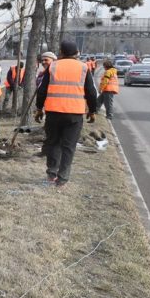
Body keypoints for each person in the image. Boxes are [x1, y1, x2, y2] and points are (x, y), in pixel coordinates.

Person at [35, 40, 98, 189]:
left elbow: (42, 90)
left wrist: (39, 109)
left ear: (61, 52)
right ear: (76, 53)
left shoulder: (53, 66)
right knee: (69, 146)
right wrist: (92, 111)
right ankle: (62, 178)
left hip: (53, 112)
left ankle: (52, 173)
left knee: (53, 142)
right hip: (74, 114)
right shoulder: (84, 67)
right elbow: (91, 92)